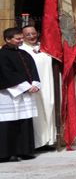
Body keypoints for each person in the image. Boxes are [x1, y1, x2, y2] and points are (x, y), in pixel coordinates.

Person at [1, 27, 41, 161]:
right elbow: (6, 74)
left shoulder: (24, 54)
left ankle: (25, 151)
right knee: (8, 123)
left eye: (21, 38)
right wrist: (25, 87)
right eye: (18, 38)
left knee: (24, 121)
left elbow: (33, 69)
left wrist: (35, 84)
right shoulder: (2, 55)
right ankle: (6, 153)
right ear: (7, 39)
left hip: (26, 93)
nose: (21, 40)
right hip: (9, 94)